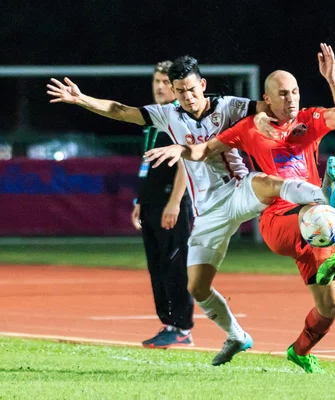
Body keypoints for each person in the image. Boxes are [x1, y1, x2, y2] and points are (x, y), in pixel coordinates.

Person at [46, 55, 335, 366]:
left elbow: (270, 105)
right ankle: (237, 335)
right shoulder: (167, 114)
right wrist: (81, 100)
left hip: (238, 189)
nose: (186, 96)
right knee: (197, 287)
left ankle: (322, 196)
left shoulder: (228, 105)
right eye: (179, 91)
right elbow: (121, 111)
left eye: (190, 88)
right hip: (207, 211)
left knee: (266, 181)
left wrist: (264, 121)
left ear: (202, 85)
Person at [145, 43, 335, 373]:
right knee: (317, 212)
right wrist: (180, 150)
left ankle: (299, 351)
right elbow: (205, 150)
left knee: (331, 308)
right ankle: (325, 197)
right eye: (283, 94)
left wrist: (331, 77)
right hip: (279, 220)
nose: (292, 99)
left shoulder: (309, 120)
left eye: (295, 92)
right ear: (267, 100)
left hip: (313, 226)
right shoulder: (249, 127)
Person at [130, 60, 194, 348]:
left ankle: (182, 328)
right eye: (156, 81)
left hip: (173, 203)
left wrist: (175, 202)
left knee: (174, 265)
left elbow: (186, 163)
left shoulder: (180, 119)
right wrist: (140, 200)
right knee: (157, 266)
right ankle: (168, 324)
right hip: (152, 203)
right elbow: (149, 168)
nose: (159, 87)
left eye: (165, 83)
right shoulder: (153, 120)